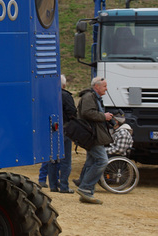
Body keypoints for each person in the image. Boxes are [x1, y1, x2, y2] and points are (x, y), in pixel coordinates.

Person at [75, 76, 115, 204]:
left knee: (92, 162)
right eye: (104, 86)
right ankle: (85, 187)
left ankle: (87, 193)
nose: (106, 89)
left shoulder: (93, 97)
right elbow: (87, 113)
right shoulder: (89, 97)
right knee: (102, 161)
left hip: (94, 135)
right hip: (92, 136)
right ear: (96, 86)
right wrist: (103, 116)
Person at [42, 75, 75, 194]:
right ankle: (64, 186)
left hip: (51, 130)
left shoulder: (47, 96)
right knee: (65, 160)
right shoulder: (66, 96)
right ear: (64, 85)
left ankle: (53, 185)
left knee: (53, 160)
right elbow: (72, 112)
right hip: (65, 130)